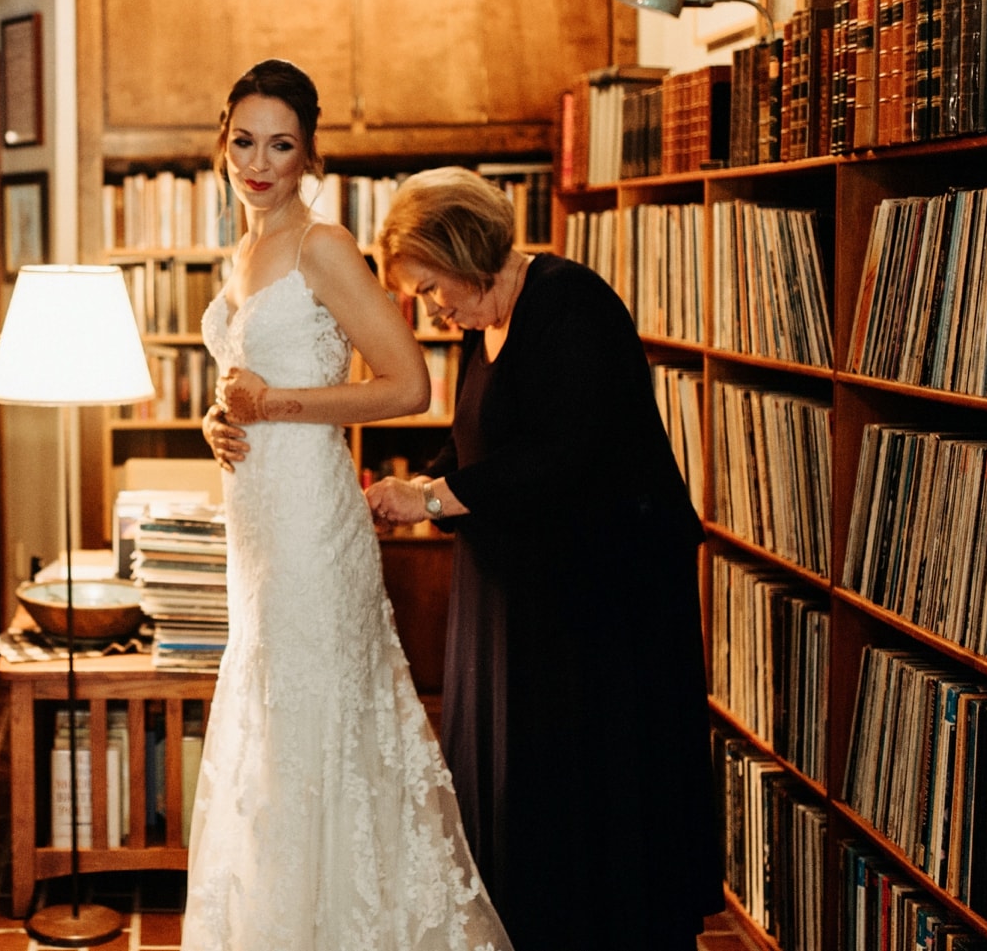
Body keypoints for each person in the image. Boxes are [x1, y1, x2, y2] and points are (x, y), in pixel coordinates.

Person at [184, 60, 510, 951]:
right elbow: (246, 378)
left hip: (308, 522)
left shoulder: (322, 245)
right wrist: (220, 416)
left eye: (279, 145)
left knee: (317, 726)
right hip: (255, 522)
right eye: (244, 141)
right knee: (275, 728)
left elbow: (405, 383)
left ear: (307, 155)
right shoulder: (243, 249)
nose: (258, 162)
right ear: (224, 144)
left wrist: (276, 405)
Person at [351, 167, 722, 951]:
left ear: (462, 250)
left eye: (428, 288)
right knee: (521, 798)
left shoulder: (570, 302)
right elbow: (485, 437)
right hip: (520, 590)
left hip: (603, 603)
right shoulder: (480, 320)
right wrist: (424, 480)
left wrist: (435, 500)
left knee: (593, 803)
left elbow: (564, 454)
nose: (430, 308)